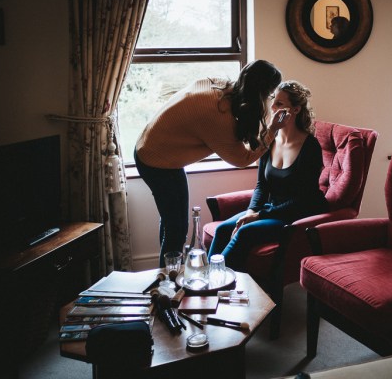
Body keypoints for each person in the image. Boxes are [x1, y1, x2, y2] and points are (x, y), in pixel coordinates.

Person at [134, 60, 290, 267]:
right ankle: (167, 283)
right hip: (156, 159)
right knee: (176, 228)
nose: (270, 102)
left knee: (175, 224)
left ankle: (169, 274)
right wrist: (271, 131)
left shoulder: (220, 85)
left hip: (158, 150)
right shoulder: (217, 114)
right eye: (270, 96)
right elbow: (241, 159)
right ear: (260, 93)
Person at [208, 80, 329, 271]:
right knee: (223, 229)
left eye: (279, 104)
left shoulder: (310, 147)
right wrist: (250, 211)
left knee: (245, 232)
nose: (272, 107)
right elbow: (261, 186)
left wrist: (258, 216)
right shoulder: (270, 140)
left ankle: (215, 280)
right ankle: (208, 280)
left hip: (294, 215)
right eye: (273, 100)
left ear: (295, 110)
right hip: (270, 208)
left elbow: (304, 199)